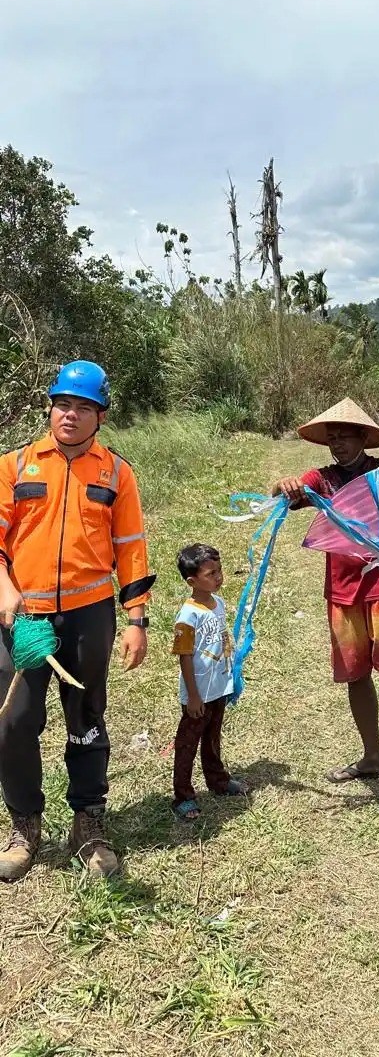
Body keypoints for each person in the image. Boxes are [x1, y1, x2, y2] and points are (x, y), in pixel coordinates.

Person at [0, 361, 155, 882]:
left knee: (87, 718)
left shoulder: (115, 472)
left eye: (83, 407)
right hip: (23, 617)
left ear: (100, 416)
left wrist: (137, 618)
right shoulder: (15, 466)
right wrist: (7, 592)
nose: (71, 414)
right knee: (14, 721)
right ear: (50, 407)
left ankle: (88, 824)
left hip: (90, 616)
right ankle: (26, 827)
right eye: (63, 404)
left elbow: (130, 547)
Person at [272, 397, 379, 813]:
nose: (338, 444)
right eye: (332, 438)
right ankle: (372, 756)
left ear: (364, 437)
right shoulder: (323, 479)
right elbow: (281, 494)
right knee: (355, 675)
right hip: (342, 592)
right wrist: (286, 485)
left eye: (346, 436)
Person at [171, 543, 247, 820]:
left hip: (218, 689)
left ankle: (218, 780)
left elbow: (223, 642)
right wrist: (193, 696)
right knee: (188, 743)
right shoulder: (188, 616)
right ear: (192, 581)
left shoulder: (219, 604)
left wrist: (231, 677)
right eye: (210, 573)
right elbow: (184, 656)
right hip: (198, 693)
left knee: (213, 737)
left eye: (219, 570)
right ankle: (183, 795)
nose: (218, 577)